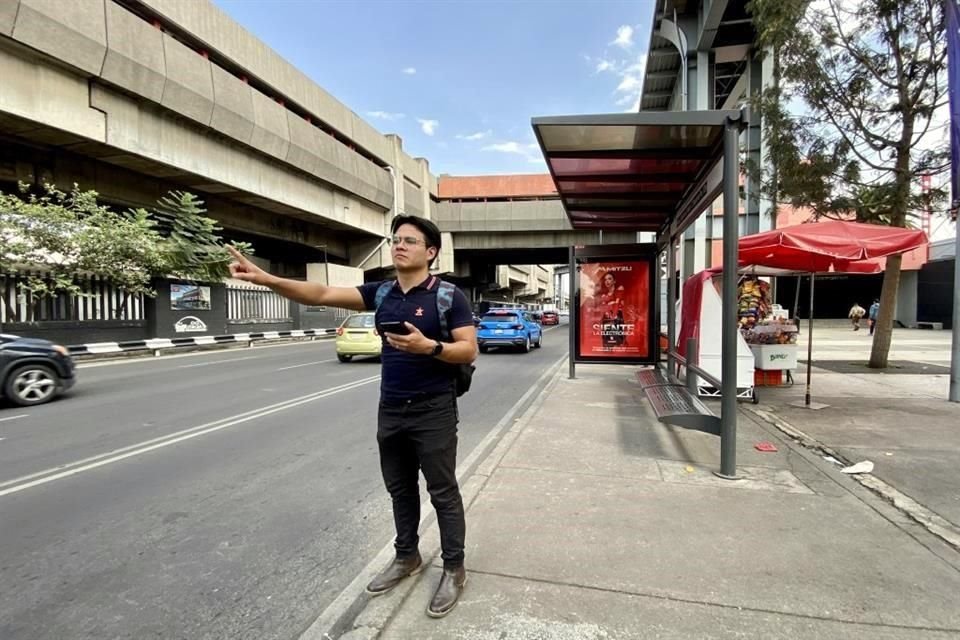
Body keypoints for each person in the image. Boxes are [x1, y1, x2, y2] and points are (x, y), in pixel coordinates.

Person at [227, 214, 478, 619]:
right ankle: (407, 556)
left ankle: (454, 568)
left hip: (434, 407)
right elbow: (322, 292)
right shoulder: (382, 293)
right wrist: (267, 279)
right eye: (396, 239)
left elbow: (468, 350)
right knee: (400, 489)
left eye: (410, 241)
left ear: (430, 252)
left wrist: (428, 347)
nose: (399, 245)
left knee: (442, 492)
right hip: (391, 407)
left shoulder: (448, 296)